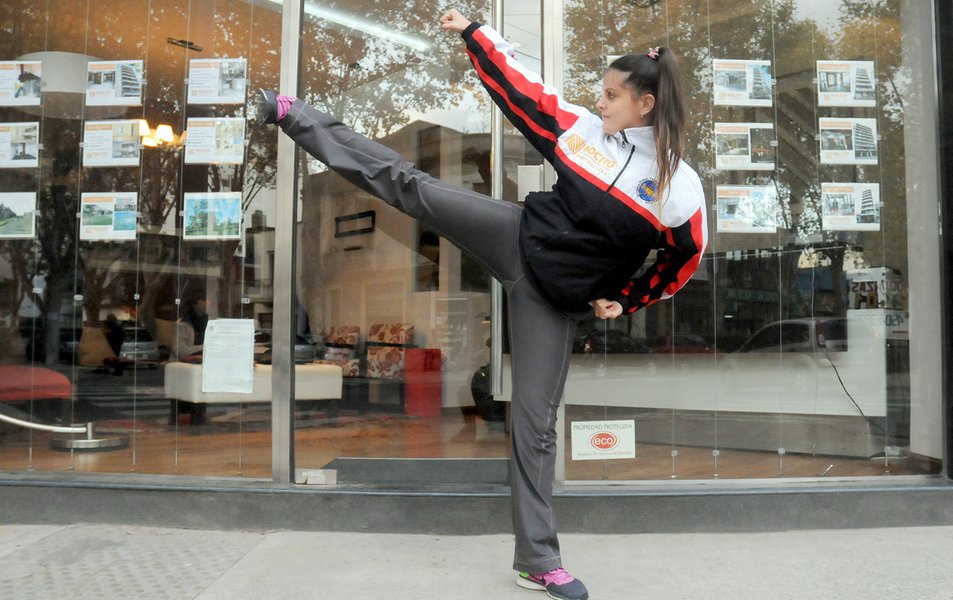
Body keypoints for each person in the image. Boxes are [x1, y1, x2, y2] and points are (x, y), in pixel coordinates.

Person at [255, 9, 706, 599]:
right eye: (600, 93)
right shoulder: (583, 132)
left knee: (535, 426)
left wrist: (626, 299)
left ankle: (537, 561)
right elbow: (521, 91)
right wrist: (475, 32)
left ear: (645, 104)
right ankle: (299, 117)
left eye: (612, 94)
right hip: (517, 237)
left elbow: (685, 259)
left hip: (552, 302)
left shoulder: (679, 190)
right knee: (412, 187)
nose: (600, 102)